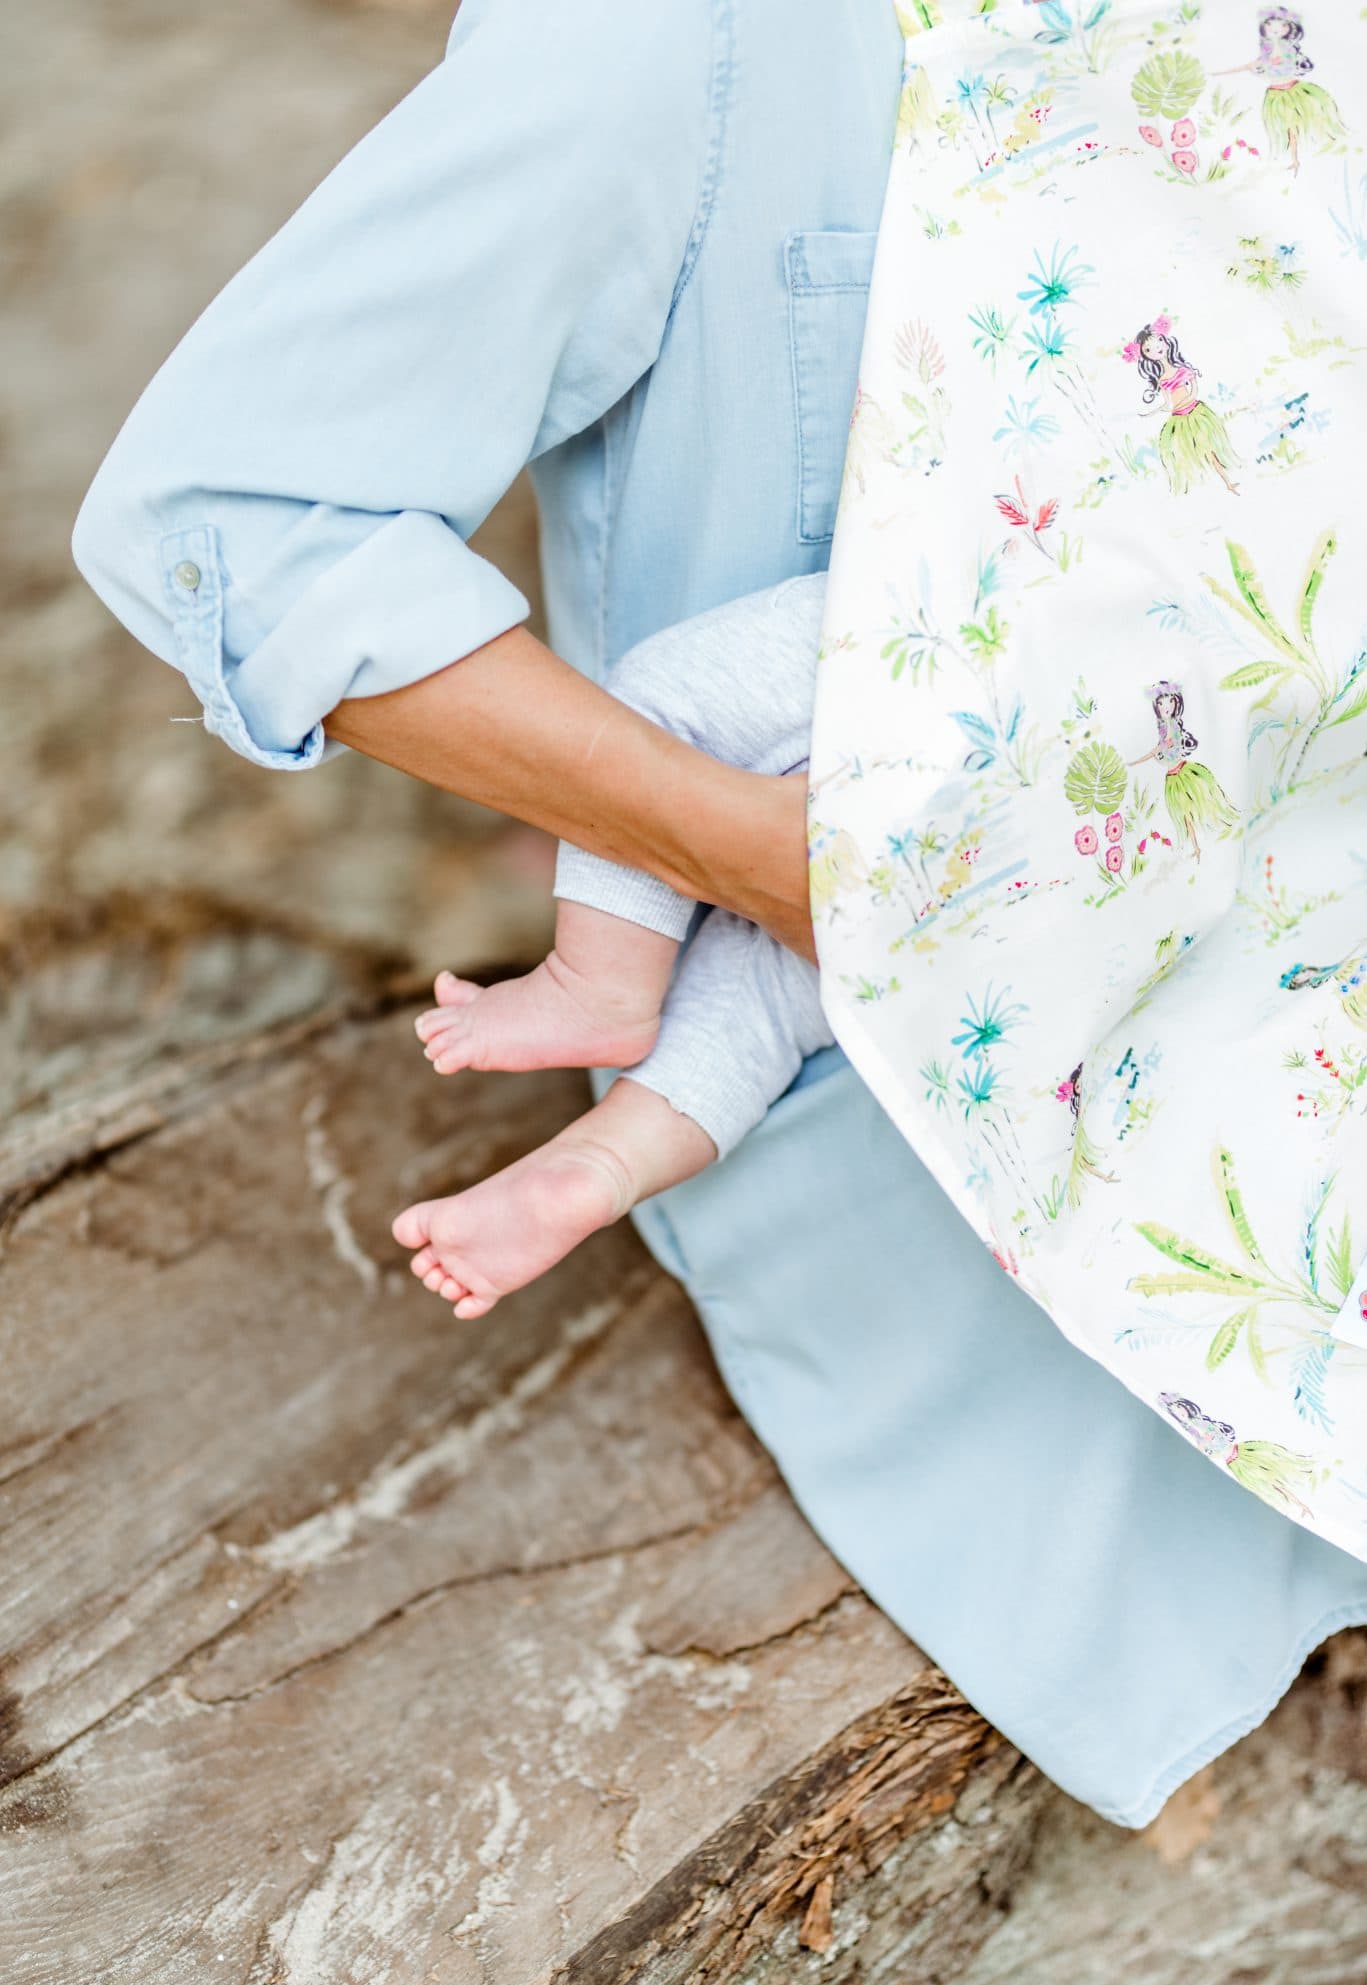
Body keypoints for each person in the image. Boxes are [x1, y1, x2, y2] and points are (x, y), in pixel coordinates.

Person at [72, 0, 1367, 1827]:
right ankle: (605, 1028)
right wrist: (766, 864)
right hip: (885, 954)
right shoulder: (671, 37)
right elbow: (235, 519)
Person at [402, 576, 831, 1319]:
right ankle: (603, 1163)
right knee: (777, 999)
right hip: (1021, 917)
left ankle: (593, 985)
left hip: (1018, 668)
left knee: (660, 712)